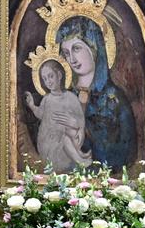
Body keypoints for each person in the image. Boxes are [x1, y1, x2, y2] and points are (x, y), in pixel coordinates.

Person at [55, 16, 137, 172]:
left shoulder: (115, 99)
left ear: (94, 47)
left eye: (76, 48)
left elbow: (126, 152)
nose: (71, 59)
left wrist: (86, 129)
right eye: (66, 52)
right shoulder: (64, 96)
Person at [24, 59, 92, 172]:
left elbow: (80, 120)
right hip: (49, 142)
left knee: (68, 134)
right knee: (64, 137)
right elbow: (41, 114)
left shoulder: (71, 98)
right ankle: (80, 159)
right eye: (45, 79)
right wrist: (32, 105)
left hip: (68, 137)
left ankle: (79, 155)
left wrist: (74, 123)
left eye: (51, 76)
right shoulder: (47, 99)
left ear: (59, 75)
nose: (48, 81)